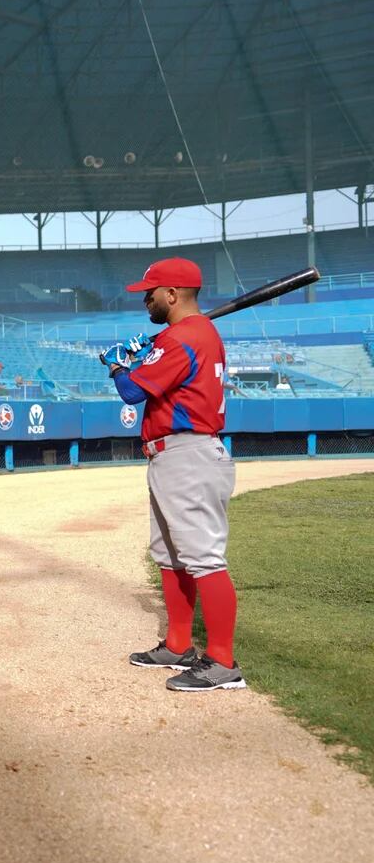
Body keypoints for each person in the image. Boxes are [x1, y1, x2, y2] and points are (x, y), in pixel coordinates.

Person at [100, 256, 242, 692]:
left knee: (202, 558)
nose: (145, 299)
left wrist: (117, 364)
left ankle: (221, 662)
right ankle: (178, 644)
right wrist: (147, 354)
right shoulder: (188, 334)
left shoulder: (185, 337)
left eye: (150, 292)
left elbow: (130, 393)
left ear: (172, 294)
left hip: (189, 453)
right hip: (173, 454)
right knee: (170, 555)